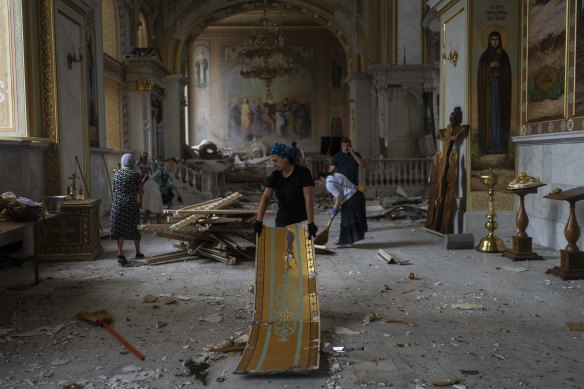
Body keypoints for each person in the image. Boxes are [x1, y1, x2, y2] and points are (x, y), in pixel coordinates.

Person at [253, 143, 317, 238]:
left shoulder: (303, 173)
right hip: (282, 221)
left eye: (276, 161)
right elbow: (266, 198)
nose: (274, 164)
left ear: (285, 158)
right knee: (281, 251)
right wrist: (259, 220)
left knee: (299, 251)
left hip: (301, 221)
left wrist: (310, 223)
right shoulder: (275, 176)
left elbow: (308, 199)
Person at [477, 30, 511, 155]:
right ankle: (490, 144)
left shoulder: (504, 55)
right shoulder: (484, 56)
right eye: (492, 39)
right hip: (488, 92)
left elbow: (507, 73)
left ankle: (500, 145)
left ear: (500, 40)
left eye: (497, 39)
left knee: (499, 114)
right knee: (491, 115)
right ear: (489, 41)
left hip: (500, 89)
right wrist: (489, 66)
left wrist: (500, 66)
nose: (495, 42)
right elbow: (481, 73)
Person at [109, 153, 145, 265]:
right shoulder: (136, 174)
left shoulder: (117, 174)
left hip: (118, 205)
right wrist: (140, 202)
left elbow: (113, 190)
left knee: (120, 227)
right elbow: (140, 192)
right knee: (134, 227)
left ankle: (120, 252)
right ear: (132, 162)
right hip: (131, 204)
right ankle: (138, 252)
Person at [317, 171, 367, 248]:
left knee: (347, 221)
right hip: (357, 196)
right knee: (346, 220)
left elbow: (340, 197)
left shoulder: (329, 183)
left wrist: (334, 210)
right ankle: (345, 241)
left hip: (352, 198)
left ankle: (349, 243)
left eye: (318, 183)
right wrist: (337, 207)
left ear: (321, 178)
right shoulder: (336, 175)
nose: (319, 185)